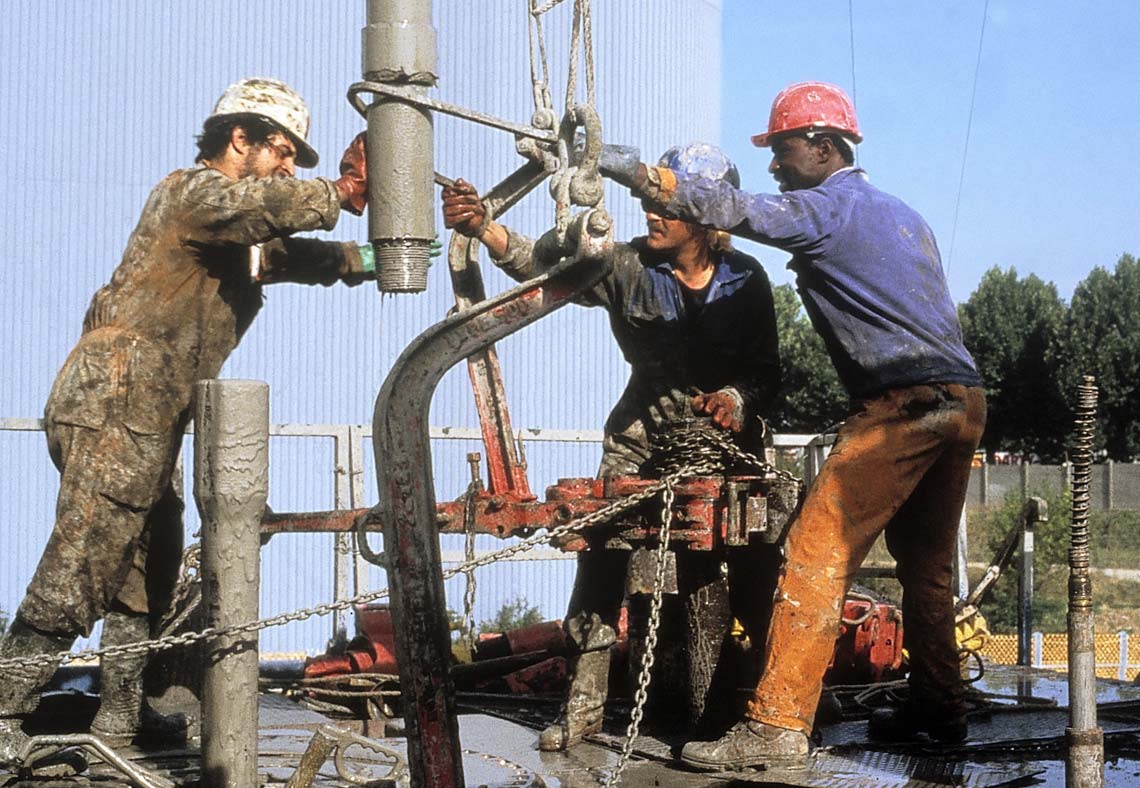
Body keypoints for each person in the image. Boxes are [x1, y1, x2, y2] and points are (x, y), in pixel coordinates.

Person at [597, 82, 986, 770]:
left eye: (782, 150)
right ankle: (938, 706)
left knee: (814, 548)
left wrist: (637, 173)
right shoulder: (905, 217)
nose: (775, 166)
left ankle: (774, 729)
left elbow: (735, 210)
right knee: (926, 566)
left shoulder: (831, 208)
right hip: (962, 401)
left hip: (903, 404)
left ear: (825, 148)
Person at [0, 77, 376, 763]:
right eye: (284, 151)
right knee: (84, 556)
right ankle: (3, 713)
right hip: (118, 399)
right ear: (240, 140)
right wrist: (342, 194)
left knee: (151, 559)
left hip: (149, 409)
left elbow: (284, 252)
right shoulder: (196, 194)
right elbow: (258, 210)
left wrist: (364, 258)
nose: (290, 168)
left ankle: (122, 713)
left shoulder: (233, 230)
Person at [441, 143, 782, 750]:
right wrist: (482, 229)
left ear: (706, 218)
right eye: (649, 202)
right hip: (639, 442)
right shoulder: (626, 266)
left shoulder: (747, 281)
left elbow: (769, 373)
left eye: (665, 206)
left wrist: (734, 396)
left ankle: (766, 708)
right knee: (600, 558)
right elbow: (541, 272)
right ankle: (583, 709)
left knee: (755, 573)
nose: (651, 213)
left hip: (727, 447)